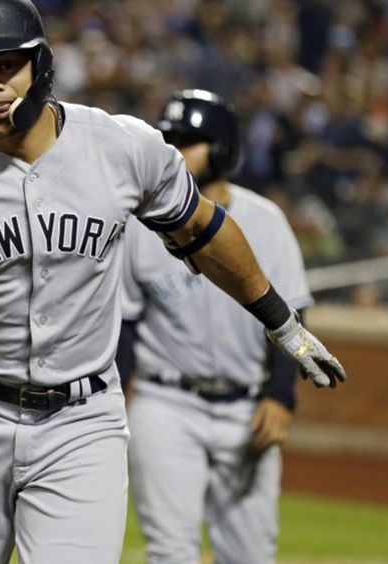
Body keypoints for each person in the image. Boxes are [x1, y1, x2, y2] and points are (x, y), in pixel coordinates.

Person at [0, 1, 345, 562]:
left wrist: (281, 323)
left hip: (82, 424)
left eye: (6, 65)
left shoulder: (121, 147)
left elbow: (205, 229)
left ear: (41, 63)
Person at [117, 90, 308, 564]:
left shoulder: (266, 221)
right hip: (166, 405)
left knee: (251, 554)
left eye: (188, 141)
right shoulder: (139, 226)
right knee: (170, 552)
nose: (174, 150)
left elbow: (294, 314)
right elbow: (124, 323)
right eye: (169, 139)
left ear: (223, 148)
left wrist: (281, 396)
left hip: (245, 407)